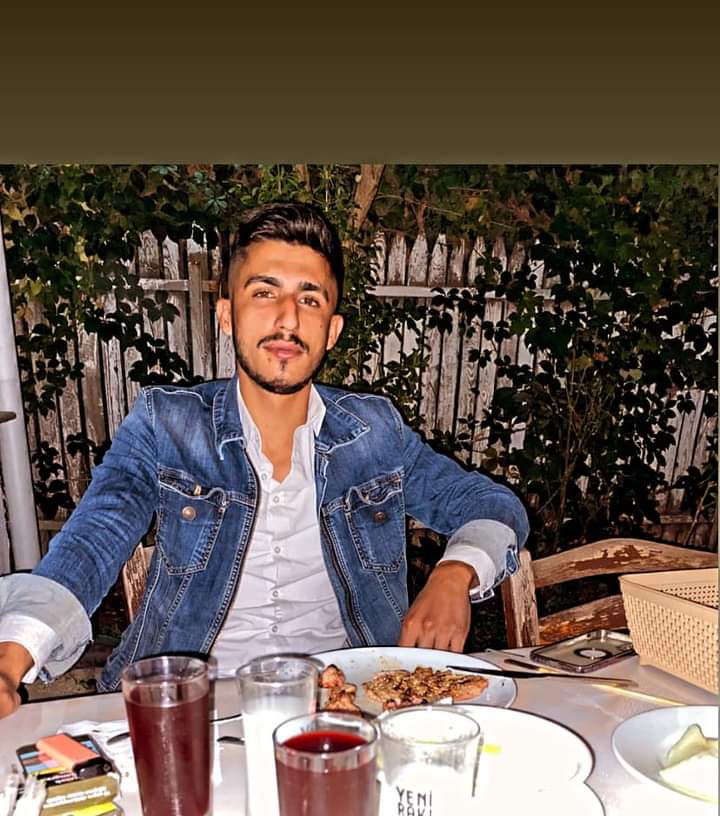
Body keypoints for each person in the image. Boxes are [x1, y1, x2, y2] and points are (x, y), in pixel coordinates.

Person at [0, 201, 529, 719]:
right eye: (264, 293)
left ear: (332, 330)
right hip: (191, 710)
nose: (287, 318)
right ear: (227, 315)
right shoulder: (168, 425)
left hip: (350, 704)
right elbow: (92, 539)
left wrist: (455, 572)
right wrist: (11, 658)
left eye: (310, 299)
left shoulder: (374, 434)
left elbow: (493, 505)